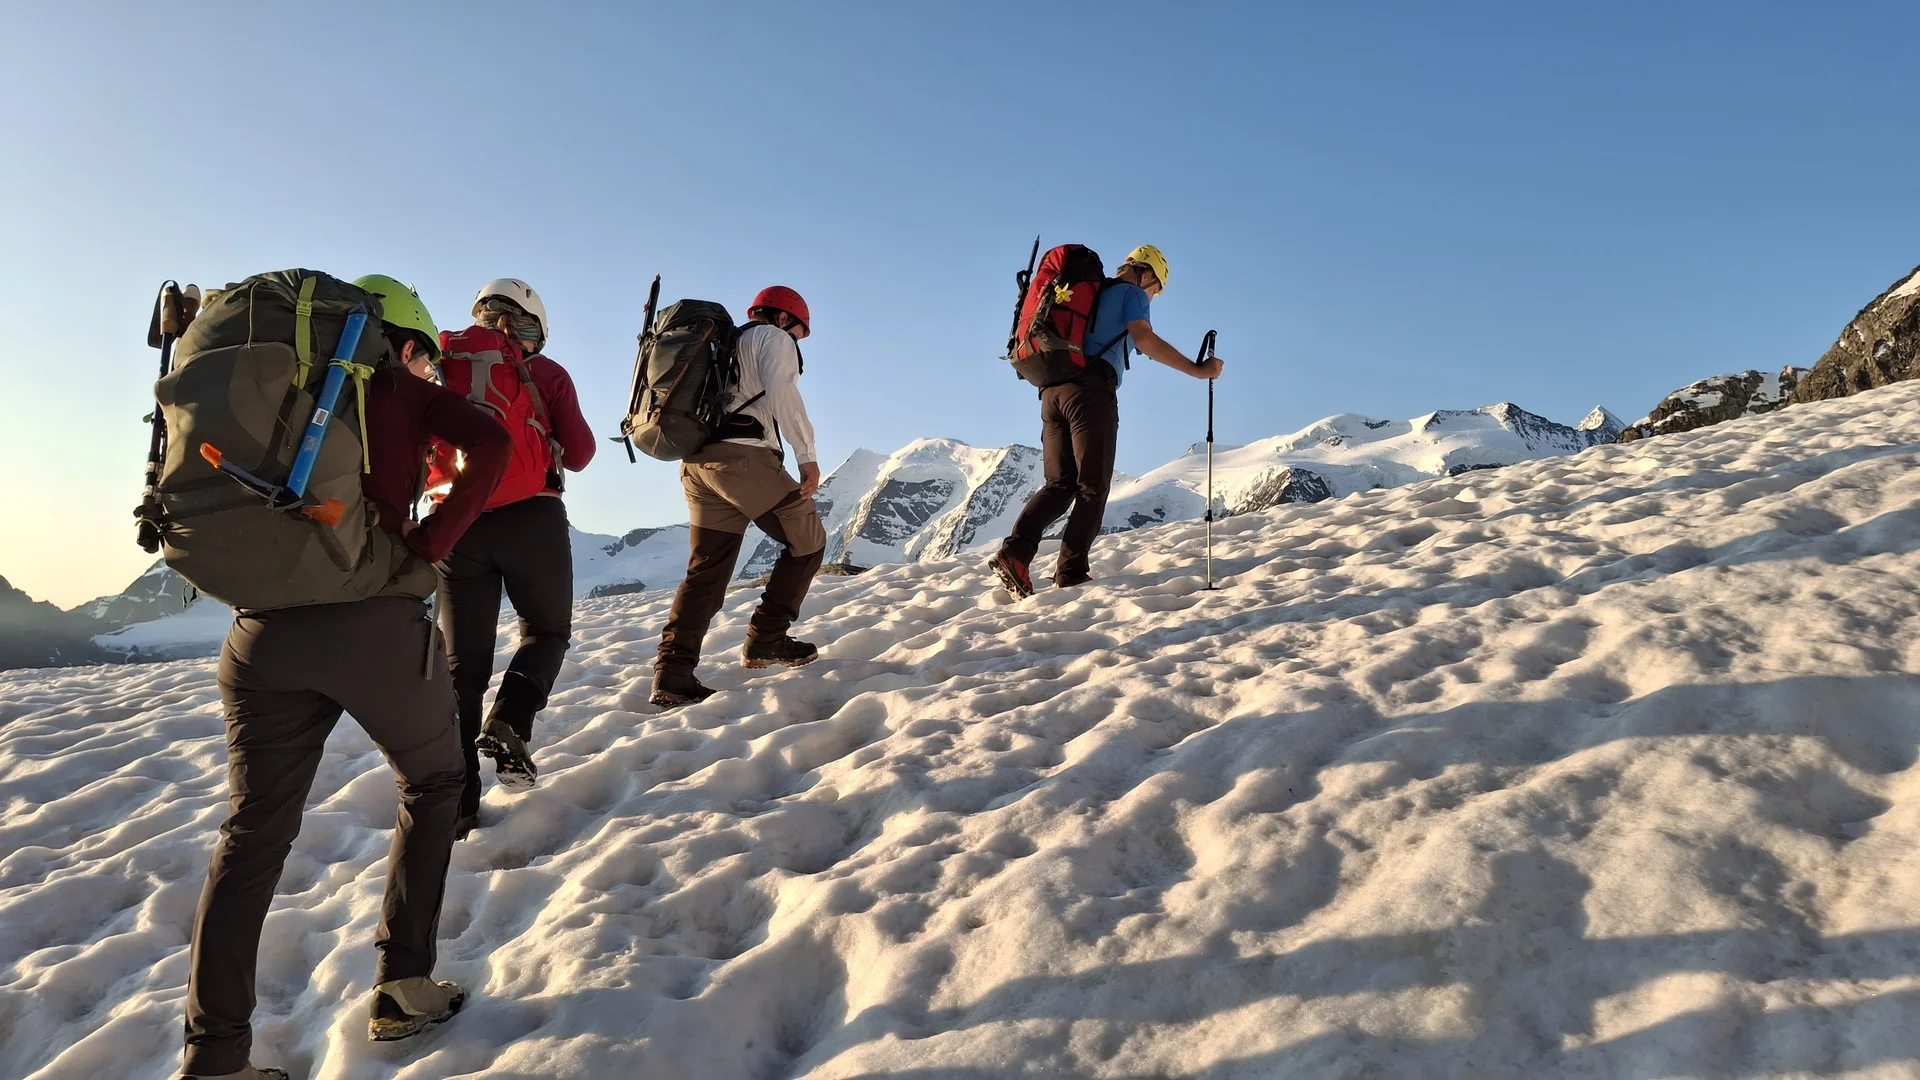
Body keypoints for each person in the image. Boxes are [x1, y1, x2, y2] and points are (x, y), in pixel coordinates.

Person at [182, 275, 510, 1080]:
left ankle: (213, 1058)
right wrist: (429, 548)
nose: (428, 370)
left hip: (260, 634)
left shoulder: (278, 389)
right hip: (372, 622)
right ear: (399, 342)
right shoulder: (396, 386)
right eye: (426, 356)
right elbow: (494, 448)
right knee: (435, 782)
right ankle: (402, 985)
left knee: (252, 834)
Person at [429, 279, 596, 816]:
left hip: (458, 523)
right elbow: (581, 455)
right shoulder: (545, 374)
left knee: (462, 668)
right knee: (546, 632)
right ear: (533, 327)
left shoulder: (439, 364)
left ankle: (458, 807)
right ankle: (510, 721)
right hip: (532, 517)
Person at [990, 245, 1226, 597]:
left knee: (1059, 484)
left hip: (1051, 392)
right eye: (1156, 289)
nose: (1153, 296)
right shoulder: (1131, 292)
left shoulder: (1088, 291)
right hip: (1090, 394)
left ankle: (1015, 554)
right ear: (1146, 274)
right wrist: (1197, 370)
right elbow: (1144, 339)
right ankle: (1070, 572)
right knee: (1093, 485)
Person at [651, 285, 828, 707]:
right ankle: (767, 637)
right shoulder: (772, 338)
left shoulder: (721, 343)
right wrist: (807, 456)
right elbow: (783, 390)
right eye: (800, 332)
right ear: (785, 318)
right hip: (743, 459)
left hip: (696, 465)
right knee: (808, 541)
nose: (798, 341)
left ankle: (672, 673)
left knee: (706, 571)